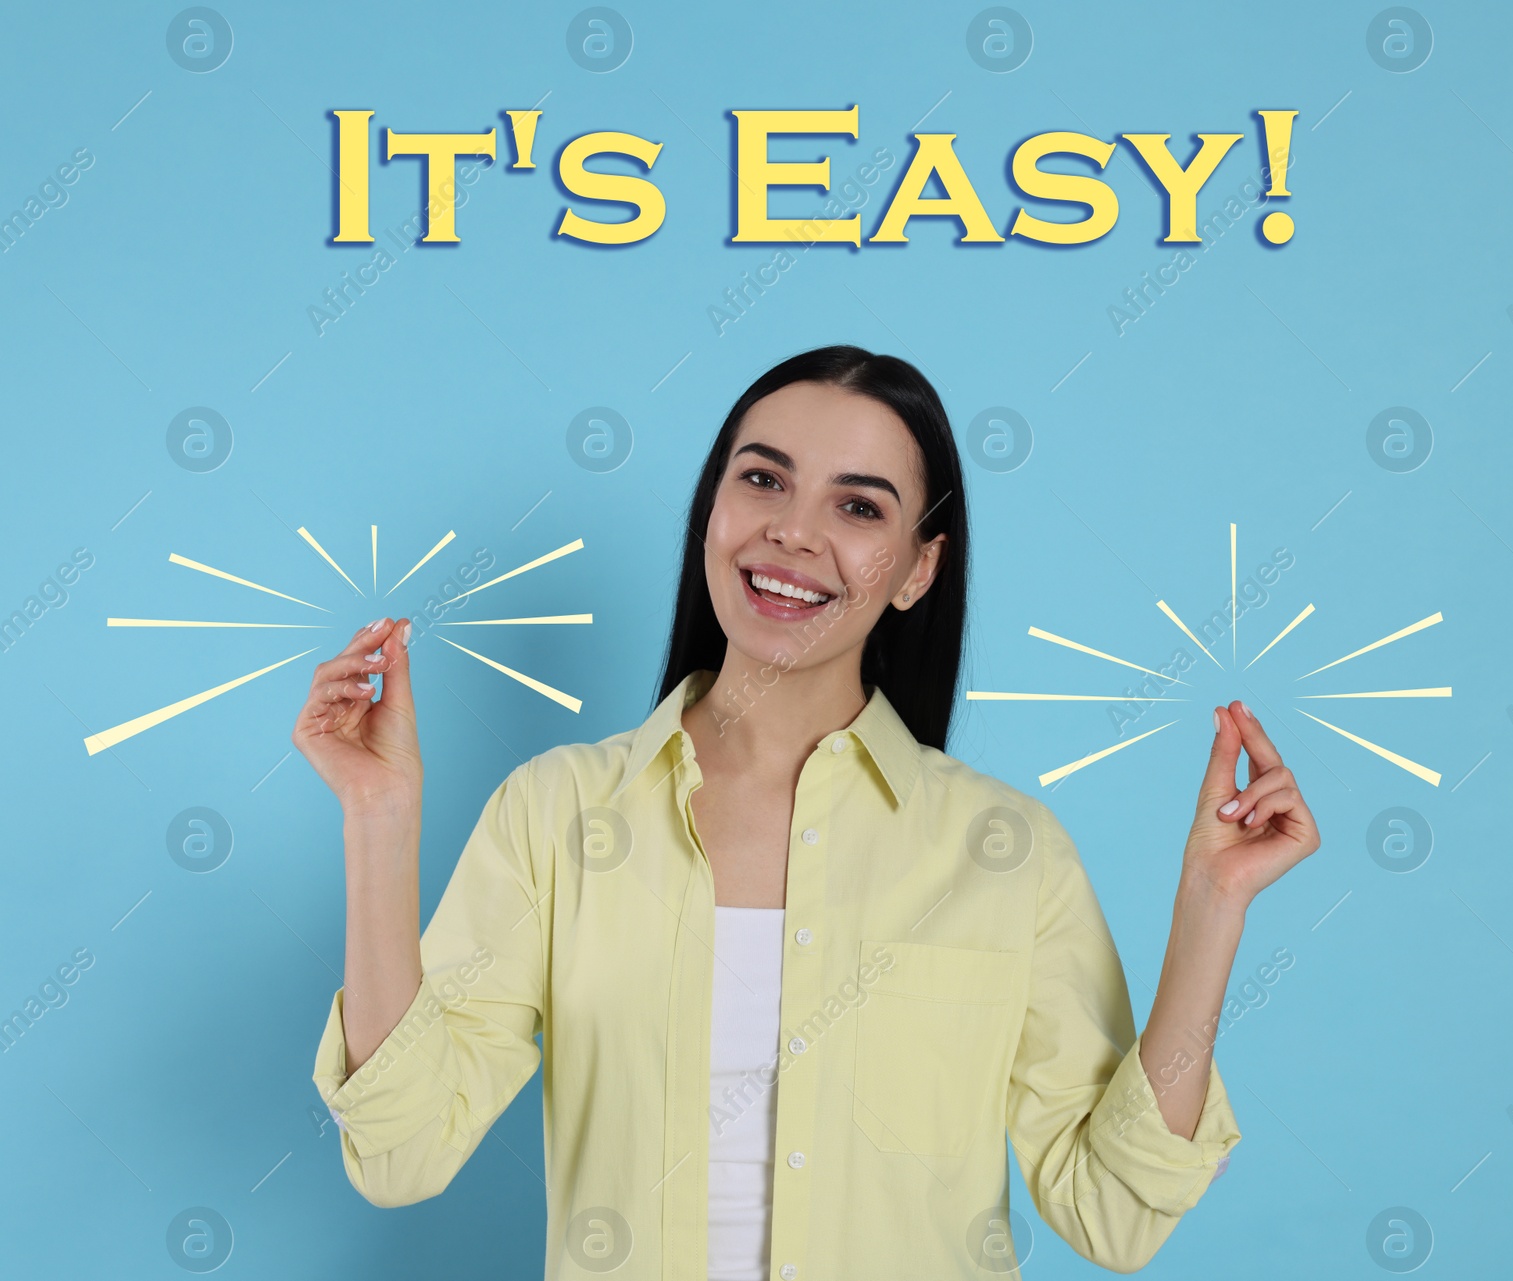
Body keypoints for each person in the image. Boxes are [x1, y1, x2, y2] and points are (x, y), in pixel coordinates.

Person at [296, 344, 1320, 1279]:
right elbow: (401, 1150)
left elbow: (1112, 1215)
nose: (792, 530)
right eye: (763, 479)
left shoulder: (1005, 853)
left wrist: (1211, 907)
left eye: (859, 508)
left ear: (920, 568)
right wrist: (379, 820)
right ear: (712, 508)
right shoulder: (556, 814)